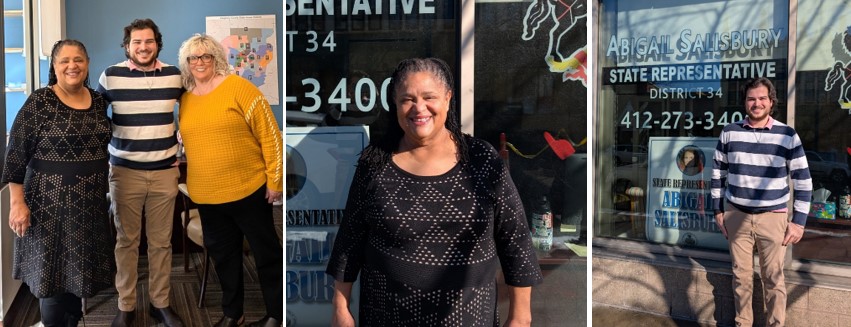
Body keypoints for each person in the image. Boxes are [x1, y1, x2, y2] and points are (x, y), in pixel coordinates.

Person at [326, 58, 544, 327]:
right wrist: (340, 307)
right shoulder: (375, 163)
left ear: (448, 98)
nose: (419, 108)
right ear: (395, 103)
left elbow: (515, 240)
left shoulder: (482, 160)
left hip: (469, 318)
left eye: (429, 97)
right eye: (407, 99)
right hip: (387, 317)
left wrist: (521, 316)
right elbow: (350, 240)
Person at [2, 39, 114, 327]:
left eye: (78, 59)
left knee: (78, 278)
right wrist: (17, 203)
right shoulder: (40, 102)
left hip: (89, 206)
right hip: (47, 207)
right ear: (54, 66)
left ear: (87, 63)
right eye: (64, 60)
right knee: (51, 281)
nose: (72, 65)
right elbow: (15, 155)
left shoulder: (99, 101)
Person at [176, 34, 283, 327]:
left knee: (266, 254)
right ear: (186, 64)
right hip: (208, 194)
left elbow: (271, 136)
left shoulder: (240, 88)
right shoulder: (185, 100)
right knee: (224, 258)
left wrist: (275, 180)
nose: (199, 63)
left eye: (205, 56)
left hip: (248, 189)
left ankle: (276, 313)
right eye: (193, 58)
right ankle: (233, 313)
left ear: (217, 59)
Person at [95, 18, 185, 327]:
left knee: (162, 243)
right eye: (136, 42)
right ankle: (126, 305)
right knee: (127, 242)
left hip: (164, 172)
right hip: (124, 172)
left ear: (157, 43)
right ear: (127, 46)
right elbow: (95, 121)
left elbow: (190, 114)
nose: (143, 47)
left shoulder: (175, 76)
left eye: (148, 41)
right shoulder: (110, 77)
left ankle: (160, 304)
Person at [711, 77, 813, 327]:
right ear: (745, 102)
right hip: (736, 215)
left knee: (774, 279)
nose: (756, 103)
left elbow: (803, 181)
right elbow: (717, 173)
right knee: (741, 278)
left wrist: (798, 222)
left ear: (771, 101)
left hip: (773, 217)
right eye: (751, 98)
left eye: (762, 98)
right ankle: (742, 323)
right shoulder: (730, 131)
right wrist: (718, 211)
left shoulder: (787, 135)